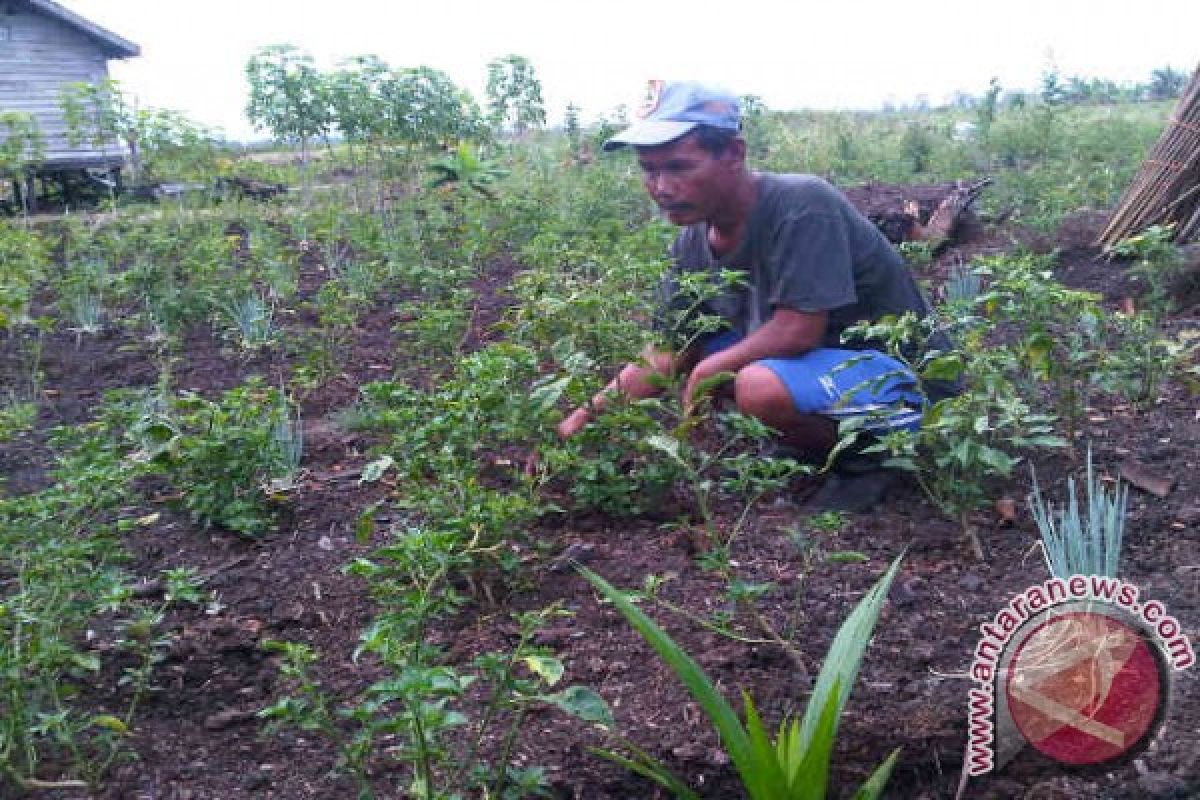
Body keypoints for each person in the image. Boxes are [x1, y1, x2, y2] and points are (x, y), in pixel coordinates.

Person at [556, 81, 955, 512]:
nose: (661, 186)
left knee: (753, 383)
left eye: (679, 167)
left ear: (734, 154)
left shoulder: (802, 203)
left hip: (902, 384)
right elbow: (667, 352)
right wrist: (586, 415)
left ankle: (873, 460)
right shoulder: (692, 239)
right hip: (826, 372)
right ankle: (811, 444)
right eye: (649, 169)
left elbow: (798, 329)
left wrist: (707, 371)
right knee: (704, 351)